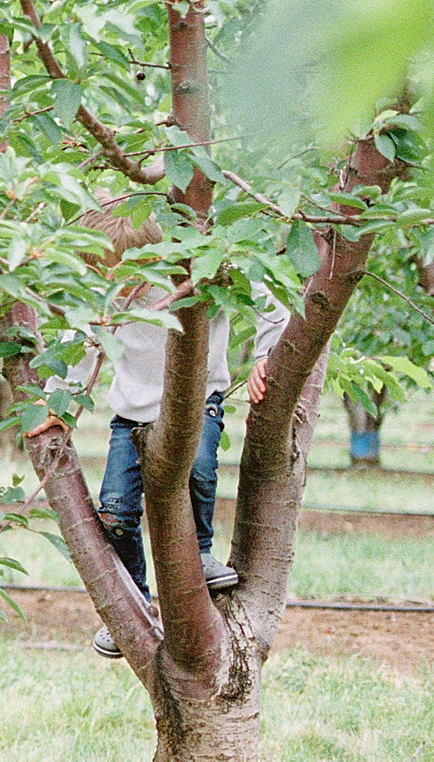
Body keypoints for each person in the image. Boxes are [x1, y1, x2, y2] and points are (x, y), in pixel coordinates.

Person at [43, 204, 289, 660]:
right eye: (106, 274)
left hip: (198, 405)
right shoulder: (104, 296)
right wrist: (60, 404)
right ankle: (131, 603)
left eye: (128, 273)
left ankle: (200, 553)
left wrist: (264, 357)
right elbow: (76, 348)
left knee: (196, 468)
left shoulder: (206, 276)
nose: (121, 287)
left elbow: (270, 304)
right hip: (131, 418)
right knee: (115, 510)